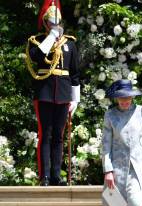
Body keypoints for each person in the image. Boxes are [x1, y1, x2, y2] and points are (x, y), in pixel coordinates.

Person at [25, 0, 80, 186]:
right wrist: (52, 37)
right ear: (46, 24)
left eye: (57, 23)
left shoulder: (70, 44)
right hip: (45, 92)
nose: (54, 25)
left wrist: (75, 99)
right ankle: (45, 176)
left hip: (64, 94)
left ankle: (56, 175)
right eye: (51, 23)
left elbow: (74, 73)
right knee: (45, 134)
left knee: (58, 136)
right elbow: (37, 57)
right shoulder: (39, 41)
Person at [101, 79, 142, 206]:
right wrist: (108, 170)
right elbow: (106, 144)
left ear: (132, 97)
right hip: (116, 168)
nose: (124, 101)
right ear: (116, 98)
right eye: (121, 98)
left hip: (138, 167)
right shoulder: (110, 114)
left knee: (136, 203)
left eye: (127, 97)